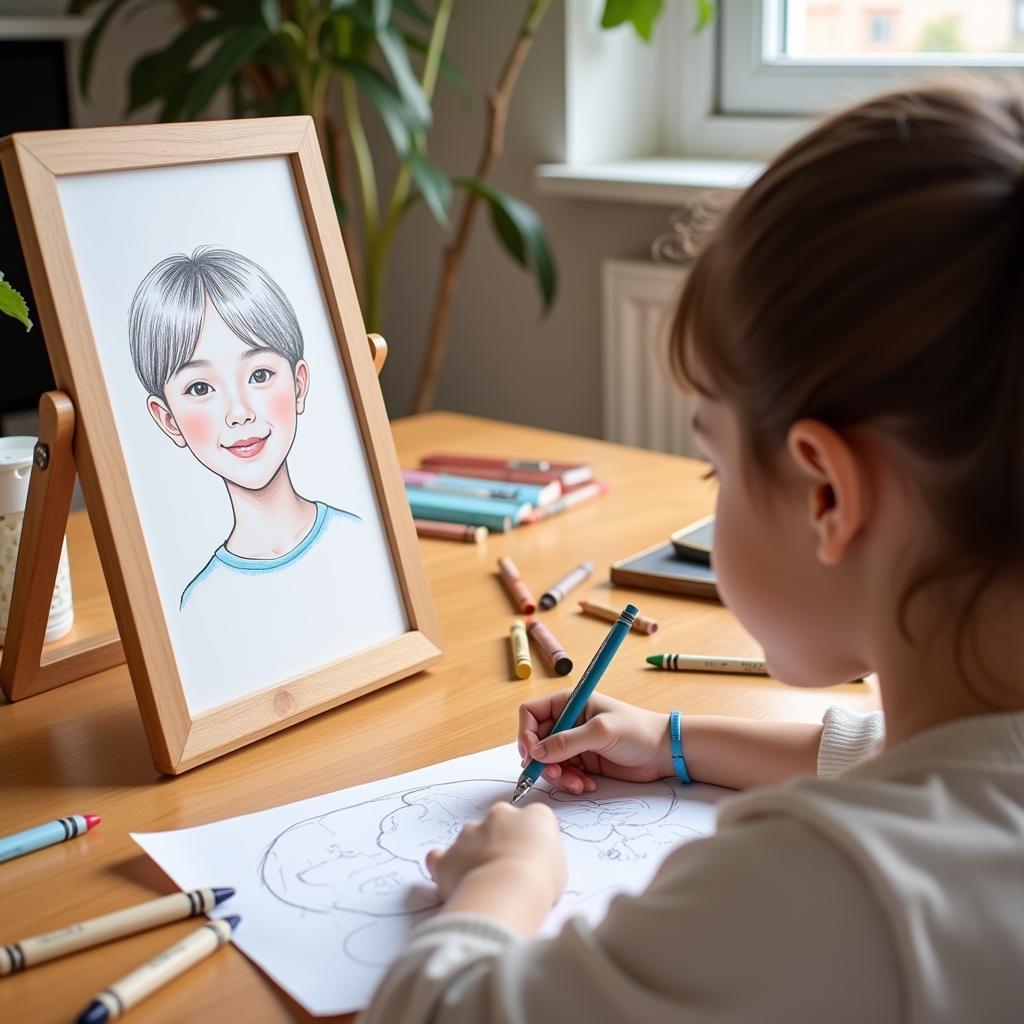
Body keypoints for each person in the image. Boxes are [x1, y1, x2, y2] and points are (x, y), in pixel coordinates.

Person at [358, 81, 1024, 1023]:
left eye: (713, 467)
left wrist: (504, 883)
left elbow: (435, 1012)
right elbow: (937, 762)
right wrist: (674, 742)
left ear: (827, 494)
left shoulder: (824, 888)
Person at [128, 246, 362, 610]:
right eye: (201, 388)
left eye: (260, 375)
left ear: (299, 384)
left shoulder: (363, 541)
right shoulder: (200, 605)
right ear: (168, 419)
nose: (239, 412)